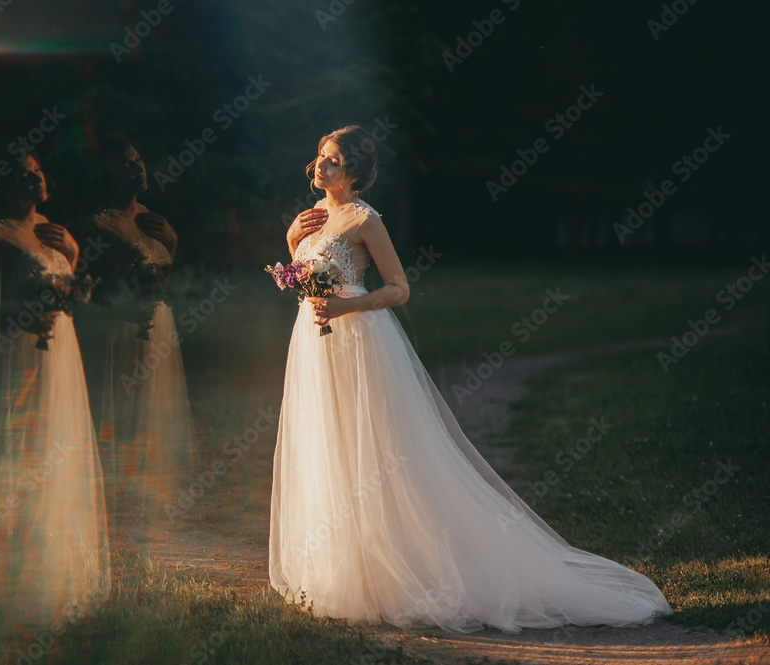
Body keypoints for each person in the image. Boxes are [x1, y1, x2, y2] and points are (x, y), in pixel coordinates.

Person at [268, 126, 673, 633]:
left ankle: (393, 566)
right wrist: (292, 240)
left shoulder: (366, 221)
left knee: (372, 449)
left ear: (351, 171)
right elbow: (302, 278)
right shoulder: (314, 217)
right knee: (327, 445)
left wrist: (349, 305)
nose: (318, 167)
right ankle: (338, 566)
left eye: (329, 160)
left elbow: (400, 289)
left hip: (357, 342)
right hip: (312, 341)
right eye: (318, 158)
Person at [0, 151, 110, 623]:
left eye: (38, 170)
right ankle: (9, 568)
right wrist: (26, 314)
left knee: (56, 445)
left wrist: (73, 256)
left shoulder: (54, 231)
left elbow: (76, 288)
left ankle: (54, 556)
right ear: (6, 185)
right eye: (23, 174)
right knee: (20, 446)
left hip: (61, 346)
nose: (35, 178)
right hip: (19, 347)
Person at [72, 134, 195, 515]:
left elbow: (165, 278)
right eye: (126, 163)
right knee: (119, 405)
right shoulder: (99, 224)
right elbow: (82, 288)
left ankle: (148, 493)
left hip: (157, 322)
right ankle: (112, 495)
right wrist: (120, 307)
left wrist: (172, 243)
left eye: (139, 160)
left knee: (151, 407)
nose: (137, 168)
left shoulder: (152, 220)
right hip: (120, 326)